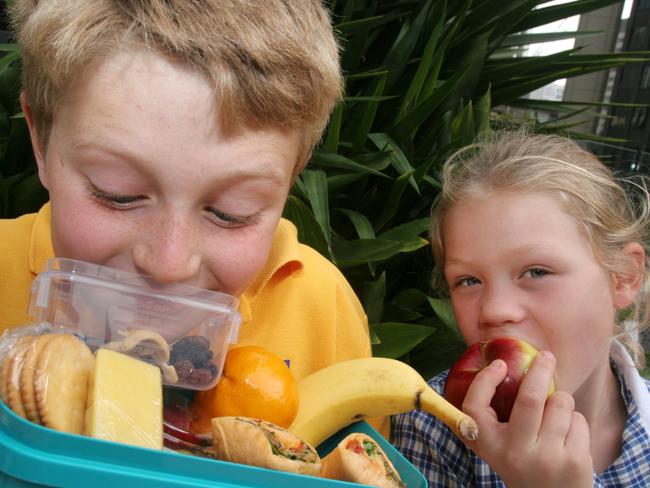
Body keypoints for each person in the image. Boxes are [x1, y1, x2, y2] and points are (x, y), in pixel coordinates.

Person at [0, 0, 372, 383]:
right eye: (118, 193)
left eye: (231, 212)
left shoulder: (324, 318)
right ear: (40, 141)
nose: (168, 265)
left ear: (291, 179)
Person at [392, 130, 650, 487]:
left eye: (537, 272)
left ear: (623, 278)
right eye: (468, 280)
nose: (495, 310)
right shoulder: (435, 425)